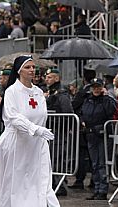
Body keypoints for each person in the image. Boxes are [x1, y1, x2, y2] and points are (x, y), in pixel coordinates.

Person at [0, 55, 63, 207]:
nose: (32, 70)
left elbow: (41, 114)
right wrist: (34, 129)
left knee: (40, 184)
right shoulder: (12, 92)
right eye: (28, 67)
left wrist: (39, 133)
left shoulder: (39, 92)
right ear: (19, 70)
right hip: (16, 143)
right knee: (13, 184)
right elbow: (13, 117)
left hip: (36, 146)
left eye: (33, 67)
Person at [81, 78, 116, 200]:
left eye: (98, 87)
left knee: (102, 163)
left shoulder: (107, 100)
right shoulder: (88, 100)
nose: (96, 89)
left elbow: (112, 111)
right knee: (94, 164)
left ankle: (102, 190)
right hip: (90, 135)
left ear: (102, 87)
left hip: (102, 135)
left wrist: (106, 96)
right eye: (94, 87)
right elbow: (82, 112)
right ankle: (96, 188)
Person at [44, 67, 74, 197]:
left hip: (59, 131)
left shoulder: (61, 93)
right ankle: (53, 184)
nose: (47, 79)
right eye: (47, 77)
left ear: (56, 78)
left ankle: (59, 186)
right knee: (51, 158)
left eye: (50, 77)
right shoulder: (51, 92)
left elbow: (67, 112)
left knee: (57, 159)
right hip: (51, 131)